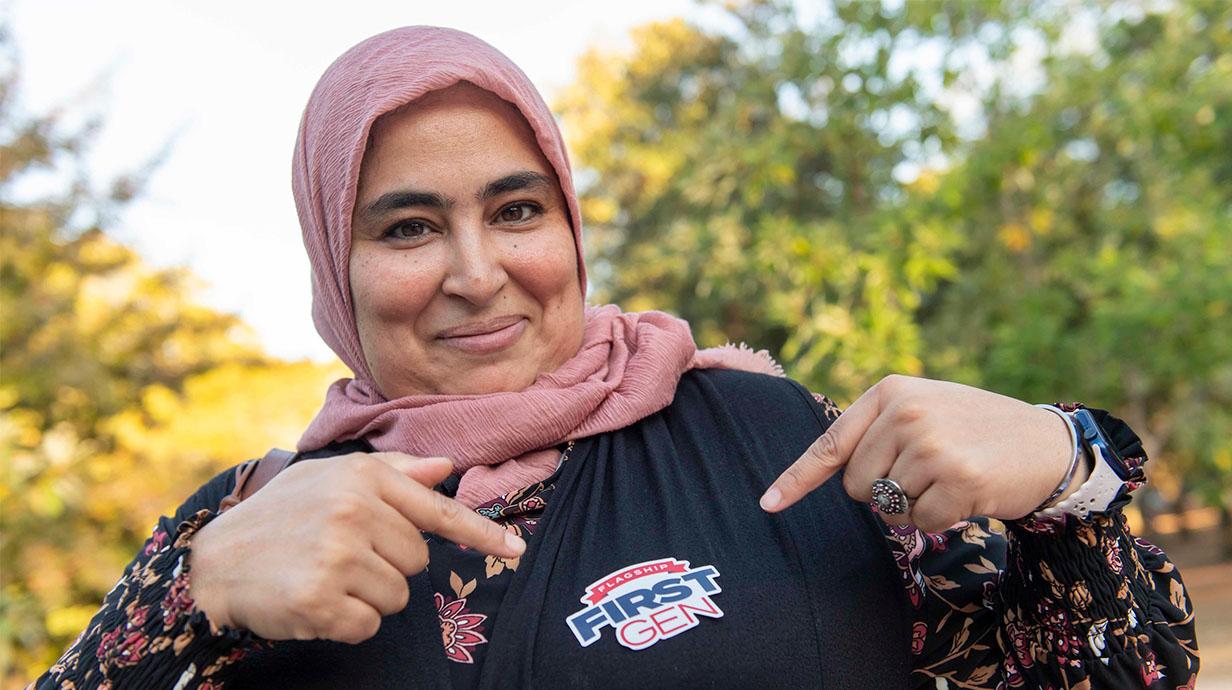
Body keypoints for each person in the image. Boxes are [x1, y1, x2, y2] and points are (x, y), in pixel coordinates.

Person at [33, 26, 1199, 690]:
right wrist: (191, 600)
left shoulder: (783, 442)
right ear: (330, 264)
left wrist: (1068, 473)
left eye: (517, 210)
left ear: (571, 226)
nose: (477, 271)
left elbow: (1114, 675)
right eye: (405, 227)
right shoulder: (251, 528)